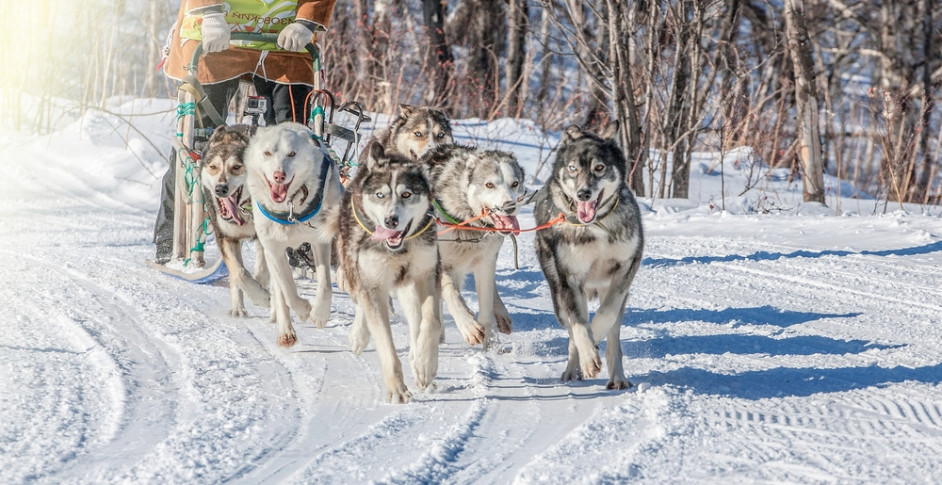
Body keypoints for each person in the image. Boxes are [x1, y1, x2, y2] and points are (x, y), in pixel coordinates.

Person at [154, 0, 337, 263]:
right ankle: (171, 236)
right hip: (213, 31)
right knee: (197, 139)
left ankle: (299, 241)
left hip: (284, 38)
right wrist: (210, 12)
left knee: (295, 141)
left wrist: (307, 20)